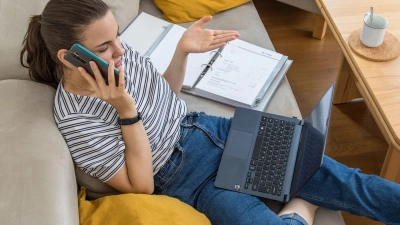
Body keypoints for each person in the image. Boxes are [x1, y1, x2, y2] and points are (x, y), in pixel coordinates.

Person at [20, 0, 400, 224]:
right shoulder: (75, 119)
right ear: (69, 57)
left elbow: (166, 98)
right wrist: (125, 110)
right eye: (104, 46)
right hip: (186, 179)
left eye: (117, 35)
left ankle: (308, 196)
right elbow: (143, 186)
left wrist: (181, 51)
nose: (120, 51)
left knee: (353, 183)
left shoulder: (120, 56)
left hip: (214, 130)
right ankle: (302, 205)